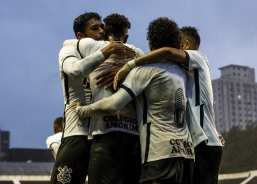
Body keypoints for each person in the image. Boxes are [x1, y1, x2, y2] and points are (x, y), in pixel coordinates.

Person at [76, 17, 195, 184]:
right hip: (186, 154)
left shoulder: (144, 70)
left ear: (151, 43)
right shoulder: (184, 72)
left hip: (158, 154)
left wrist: (83, 111)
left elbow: (114, 103)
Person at [113, 26, 223, 184]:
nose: (173, 49)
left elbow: (166, 52)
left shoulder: (198, 58)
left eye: (176, 45)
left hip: (204, 142)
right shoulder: (183, 71)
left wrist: (130, 65)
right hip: (197, 143)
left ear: (185, 45)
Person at [50, 12, 135, 184]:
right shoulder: (69, 49)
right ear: (80, 35)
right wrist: (107, 50)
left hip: (103, 134)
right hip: (78, 132)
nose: (101, 31)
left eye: (102, 26)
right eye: (94, 28)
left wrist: (127, 71)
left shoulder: (111, 54)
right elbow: (75, 70)